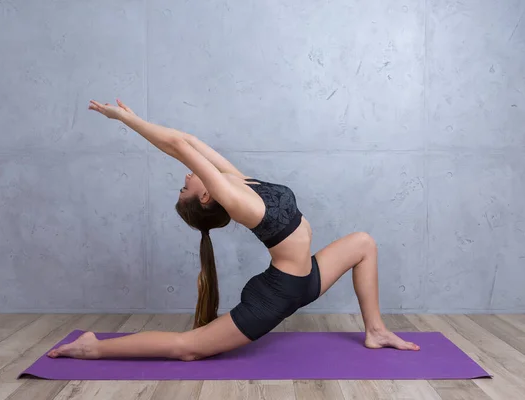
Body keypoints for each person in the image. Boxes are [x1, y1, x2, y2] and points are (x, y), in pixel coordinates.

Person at [47, 99, 420, 361]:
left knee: (364, 243)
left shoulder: (240, 183)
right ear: (206, 197)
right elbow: (178, 147)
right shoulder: (236, 200)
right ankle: (93, 347)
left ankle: (376, 330)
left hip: (307, 279)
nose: (187, 176)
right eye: (184, 187)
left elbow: (188, 142)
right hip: (278, 294)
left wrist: (136, 117)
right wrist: (125, 121)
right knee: (188, 348)